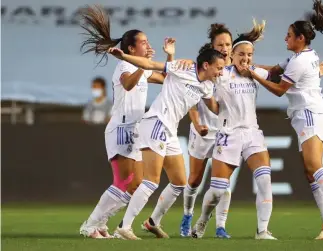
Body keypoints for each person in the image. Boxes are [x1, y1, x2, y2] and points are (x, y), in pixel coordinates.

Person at [248, 0, 323, 240]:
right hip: (309, 114)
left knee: (314, 165)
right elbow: (274, 70)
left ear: (300, 38)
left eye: (289, 35)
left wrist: (252, 74)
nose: (286, 39)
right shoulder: (303, 56)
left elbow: (279, 88)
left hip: (309, 114)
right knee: (309, 170)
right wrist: (249, 65)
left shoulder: (300, 60)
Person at [106, 42, 226, 240]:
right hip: (156, 122)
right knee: (151, 181)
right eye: (219, 68)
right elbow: (151, 65)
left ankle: (152, 222)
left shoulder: (206, 86)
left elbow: (215, 107)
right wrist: (124, 57)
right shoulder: (185, 68)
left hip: (170, 130)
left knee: (179, 182)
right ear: (206, 65)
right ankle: (123, 227)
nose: (221, 72)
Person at [77, 5, 170, 239]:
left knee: (135, 184)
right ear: (131, 48)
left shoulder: (141, 68)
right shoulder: (125, 65)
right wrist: (143, 66)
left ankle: (100, 223)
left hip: (136, 130)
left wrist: (169, 57)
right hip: (121, 128)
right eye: (144, 42)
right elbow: (128, 85)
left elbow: (168, 79)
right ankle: (90, 225)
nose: (148, 46)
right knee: (124, 181)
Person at [191, 20, 277, 240]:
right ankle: (202, 221)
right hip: (229, 135)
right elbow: (213, 103)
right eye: (242, 55)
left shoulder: (255, 72)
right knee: (218, 190)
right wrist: (207, 99)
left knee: (265, 180)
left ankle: (262, 231)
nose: (246, 59)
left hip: (252, 133)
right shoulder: (222, 75)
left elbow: (280, 76)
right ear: (233, 55)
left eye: (250, 55)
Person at [180, 23, 234, 239]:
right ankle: (187, 215)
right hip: (203, 131)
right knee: (194, 179)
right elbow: (192, 99)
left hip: (226, 132)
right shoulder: (204, 67)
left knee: (223, 183)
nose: (224, 48)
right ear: (212, 47)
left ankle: (221, 226)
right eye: (220, 44)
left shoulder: (238, 67)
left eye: (228, 44)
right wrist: (195, 123)